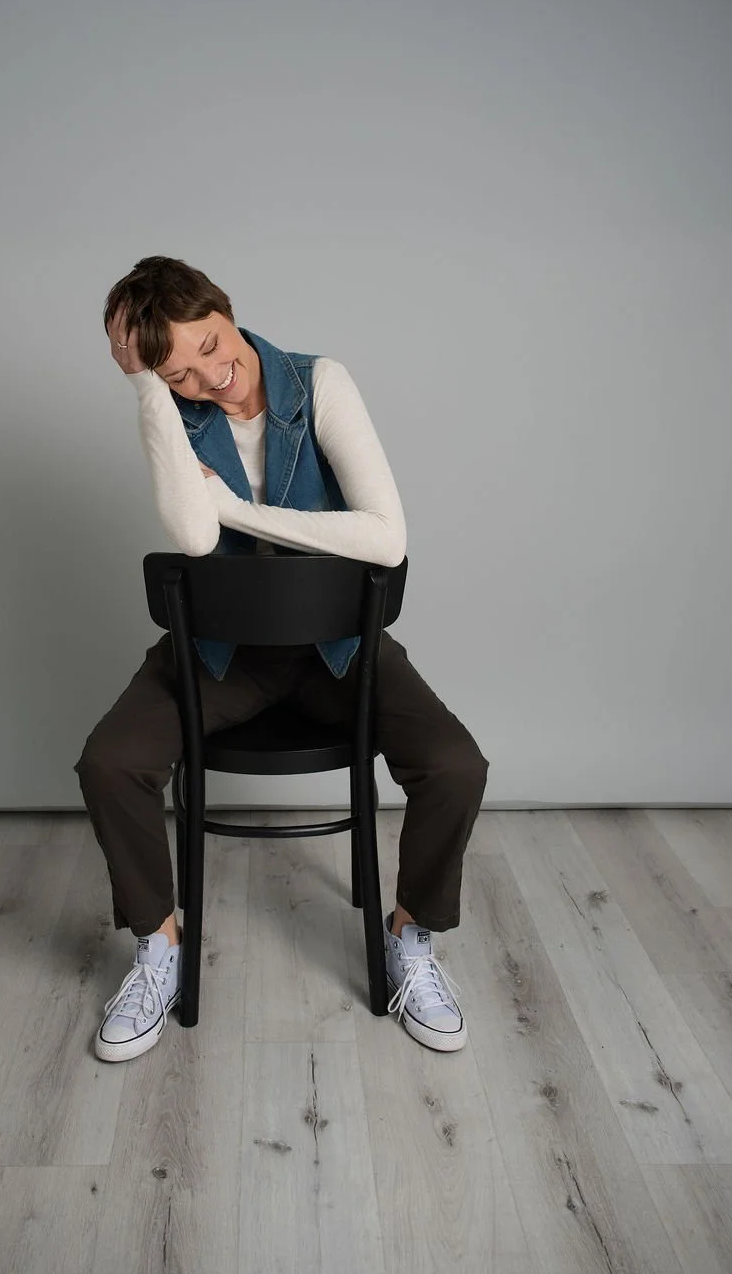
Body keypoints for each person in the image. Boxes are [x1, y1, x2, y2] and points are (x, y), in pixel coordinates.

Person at [75, 256, 489, 1062]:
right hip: (223, 656)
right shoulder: (170, 412)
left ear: (225, 309)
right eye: (180, 374)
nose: (208, 376)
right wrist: (145, 392)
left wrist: (239, 510)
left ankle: (411, 936)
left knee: (456, 765)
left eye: (210, 344)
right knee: (109, 762)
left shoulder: (318, 383)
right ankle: (160, 948)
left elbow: (386, 536)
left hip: (339, 650)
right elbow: (193, 540)